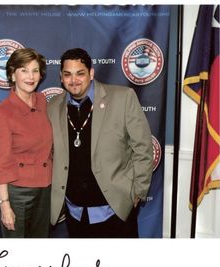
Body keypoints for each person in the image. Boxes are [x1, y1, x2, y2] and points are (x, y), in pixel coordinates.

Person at [47, 48, 153, 238]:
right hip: (75, 212)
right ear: (61, 78)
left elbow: (143, 147)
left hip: (115, 210)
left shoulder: (123, 97)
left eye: (80, 73)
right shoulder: (54, 106)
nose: (74, 80)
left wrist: (138, 190)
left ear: (91, 73)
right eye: (67, 74)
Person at [0, 48, 53, 238]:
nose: (30, 76)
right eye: (24, 70)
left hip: (46, 187)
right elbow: (0, 162)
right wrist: (5, 205)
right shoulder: (4, 112)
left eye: (35, 70)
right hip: (18, 192)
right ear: (12, 73)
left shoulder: (42, 101)